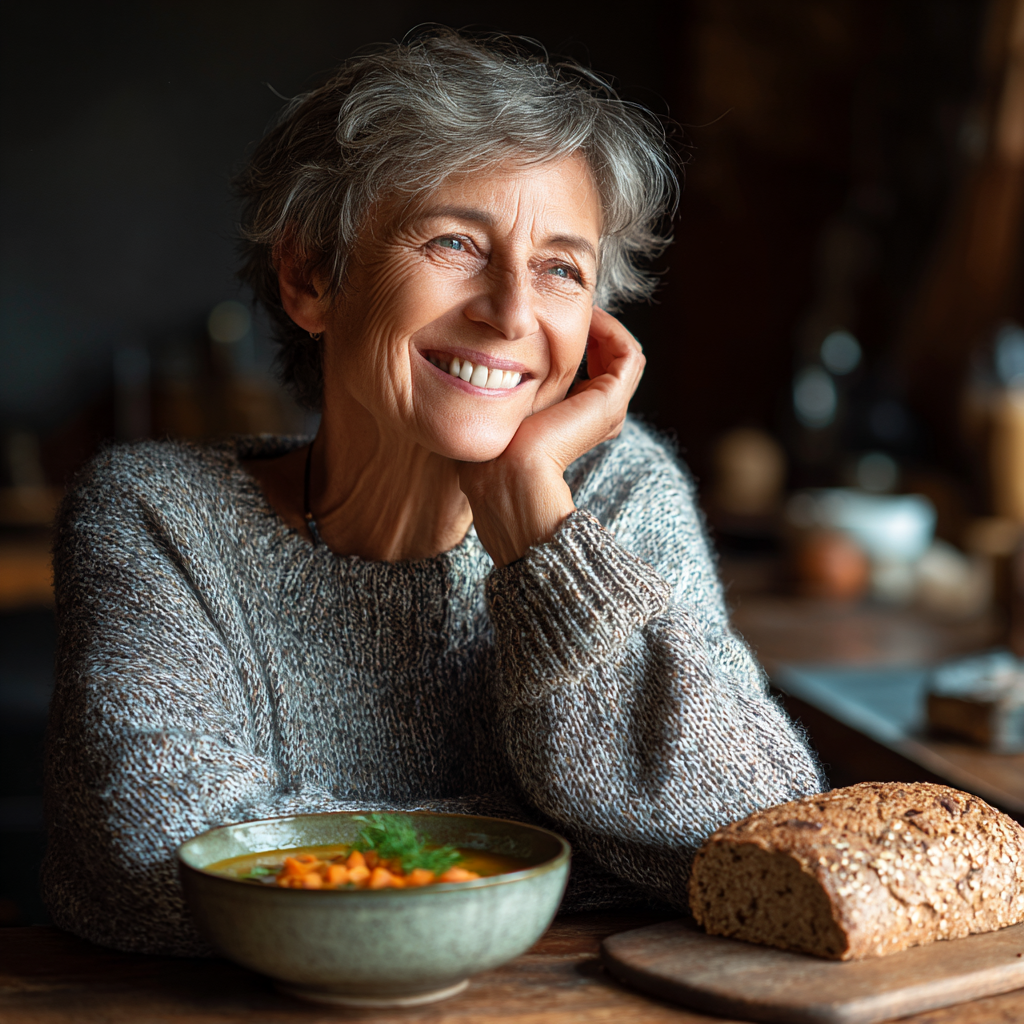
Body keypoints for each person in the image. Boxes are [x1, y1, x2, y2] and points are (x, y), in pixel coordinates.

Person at [43, 29, 823, 955]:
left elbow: (757, 833)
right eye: (456, 241)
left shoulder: (612, 494)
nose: (511, 311)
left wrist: (538, 528)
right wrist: (591, 850)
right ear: (311, 277)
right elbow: (159, 867)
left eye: (560, 268)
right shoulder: (155, 516)